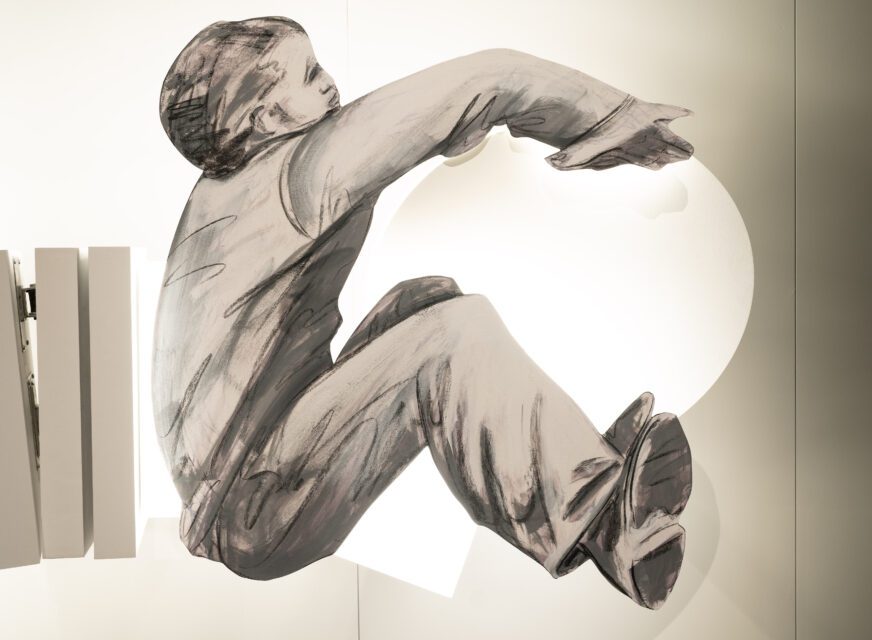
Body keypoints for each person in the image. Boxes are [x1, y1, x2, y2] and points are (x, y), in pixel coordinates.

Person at [154, 16, 693, 609]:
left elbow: (416, 126)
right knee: (451, 336)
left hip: (247, 486)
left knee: (425, 300)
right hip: (254, 511)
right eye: (309, 75)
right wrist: (610, 118)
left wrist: (453, 129)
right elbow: (487, 76)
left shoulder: (226, 190)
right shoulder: (294, 178)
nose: (329, 82)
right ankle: (604, 521)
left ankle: (572, 461)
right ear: (266, 118)